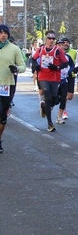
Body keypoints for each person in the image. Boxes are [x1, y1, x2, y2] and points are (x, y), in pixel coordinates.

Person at [32, 30, 69, 132]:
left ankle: (45, 108)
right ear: (46, 39)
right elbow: (33, 59)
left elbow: (65, 63)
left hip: (55, 78)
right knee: (47, 96)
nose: (51, 40)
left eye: (53, 38)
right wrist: (36, 66)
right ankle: (50, 123)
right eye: (49, 38)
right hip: (43, 76)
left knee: (55, 99)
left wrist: (57, 67)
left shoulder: (58, 51)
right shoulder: (41, 49)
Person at [0, 24, 26, 153]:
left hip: (6, 86)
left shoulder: (14, 49)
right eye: (1, 32)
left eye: (5, 33)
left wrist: (16, 69)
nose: (3, 35)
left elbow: (23, 66)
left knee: (2, 116)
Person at [55, 39, 75, 124]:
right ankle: (47, 108)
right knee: (54, 99)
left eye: (62, 45)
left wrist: (70, 71)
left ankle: (59, 116)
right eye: (59, 45)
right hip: (54, 80)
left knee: (63, 99)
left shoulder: (67, 57)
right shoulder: (53, 56)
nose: (61, 47)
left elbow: (72, 65)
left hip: (63, 80)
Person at [61, 37, 77, 119]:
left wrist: (73, 70)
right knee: (64, 95)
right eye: (64, 42)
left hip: (71, 76)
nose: (65, 44)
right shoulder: (59, 52)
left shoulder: (74, 52)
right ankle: (64, 111)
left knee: (69, 96)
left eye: (67, 42)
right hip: (62, 77)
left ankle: (63, 102)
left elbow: (76, 63)